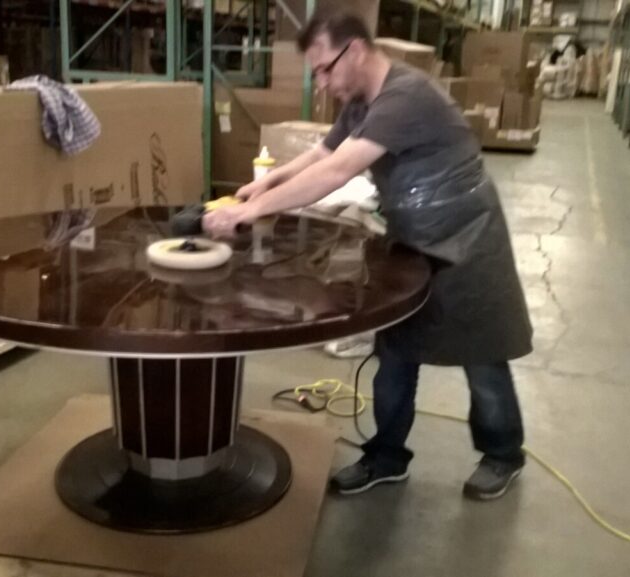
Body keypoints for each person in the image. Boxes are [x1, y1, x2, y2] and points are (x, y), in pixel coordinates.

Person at [203, 8, 533, 501]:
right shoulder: (361, 101)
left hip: (468, 238)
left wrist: (248, 213)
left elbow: (337, 173)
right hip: (414, 236)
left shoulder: (406, 96)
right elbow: (322, 154)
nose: (321, 82)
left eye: (324, 69)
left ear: (354, 51)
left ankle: (503, 454)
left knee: (481, 355)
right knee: (396, 351)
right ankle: (386, 457)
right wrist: (265, 184)